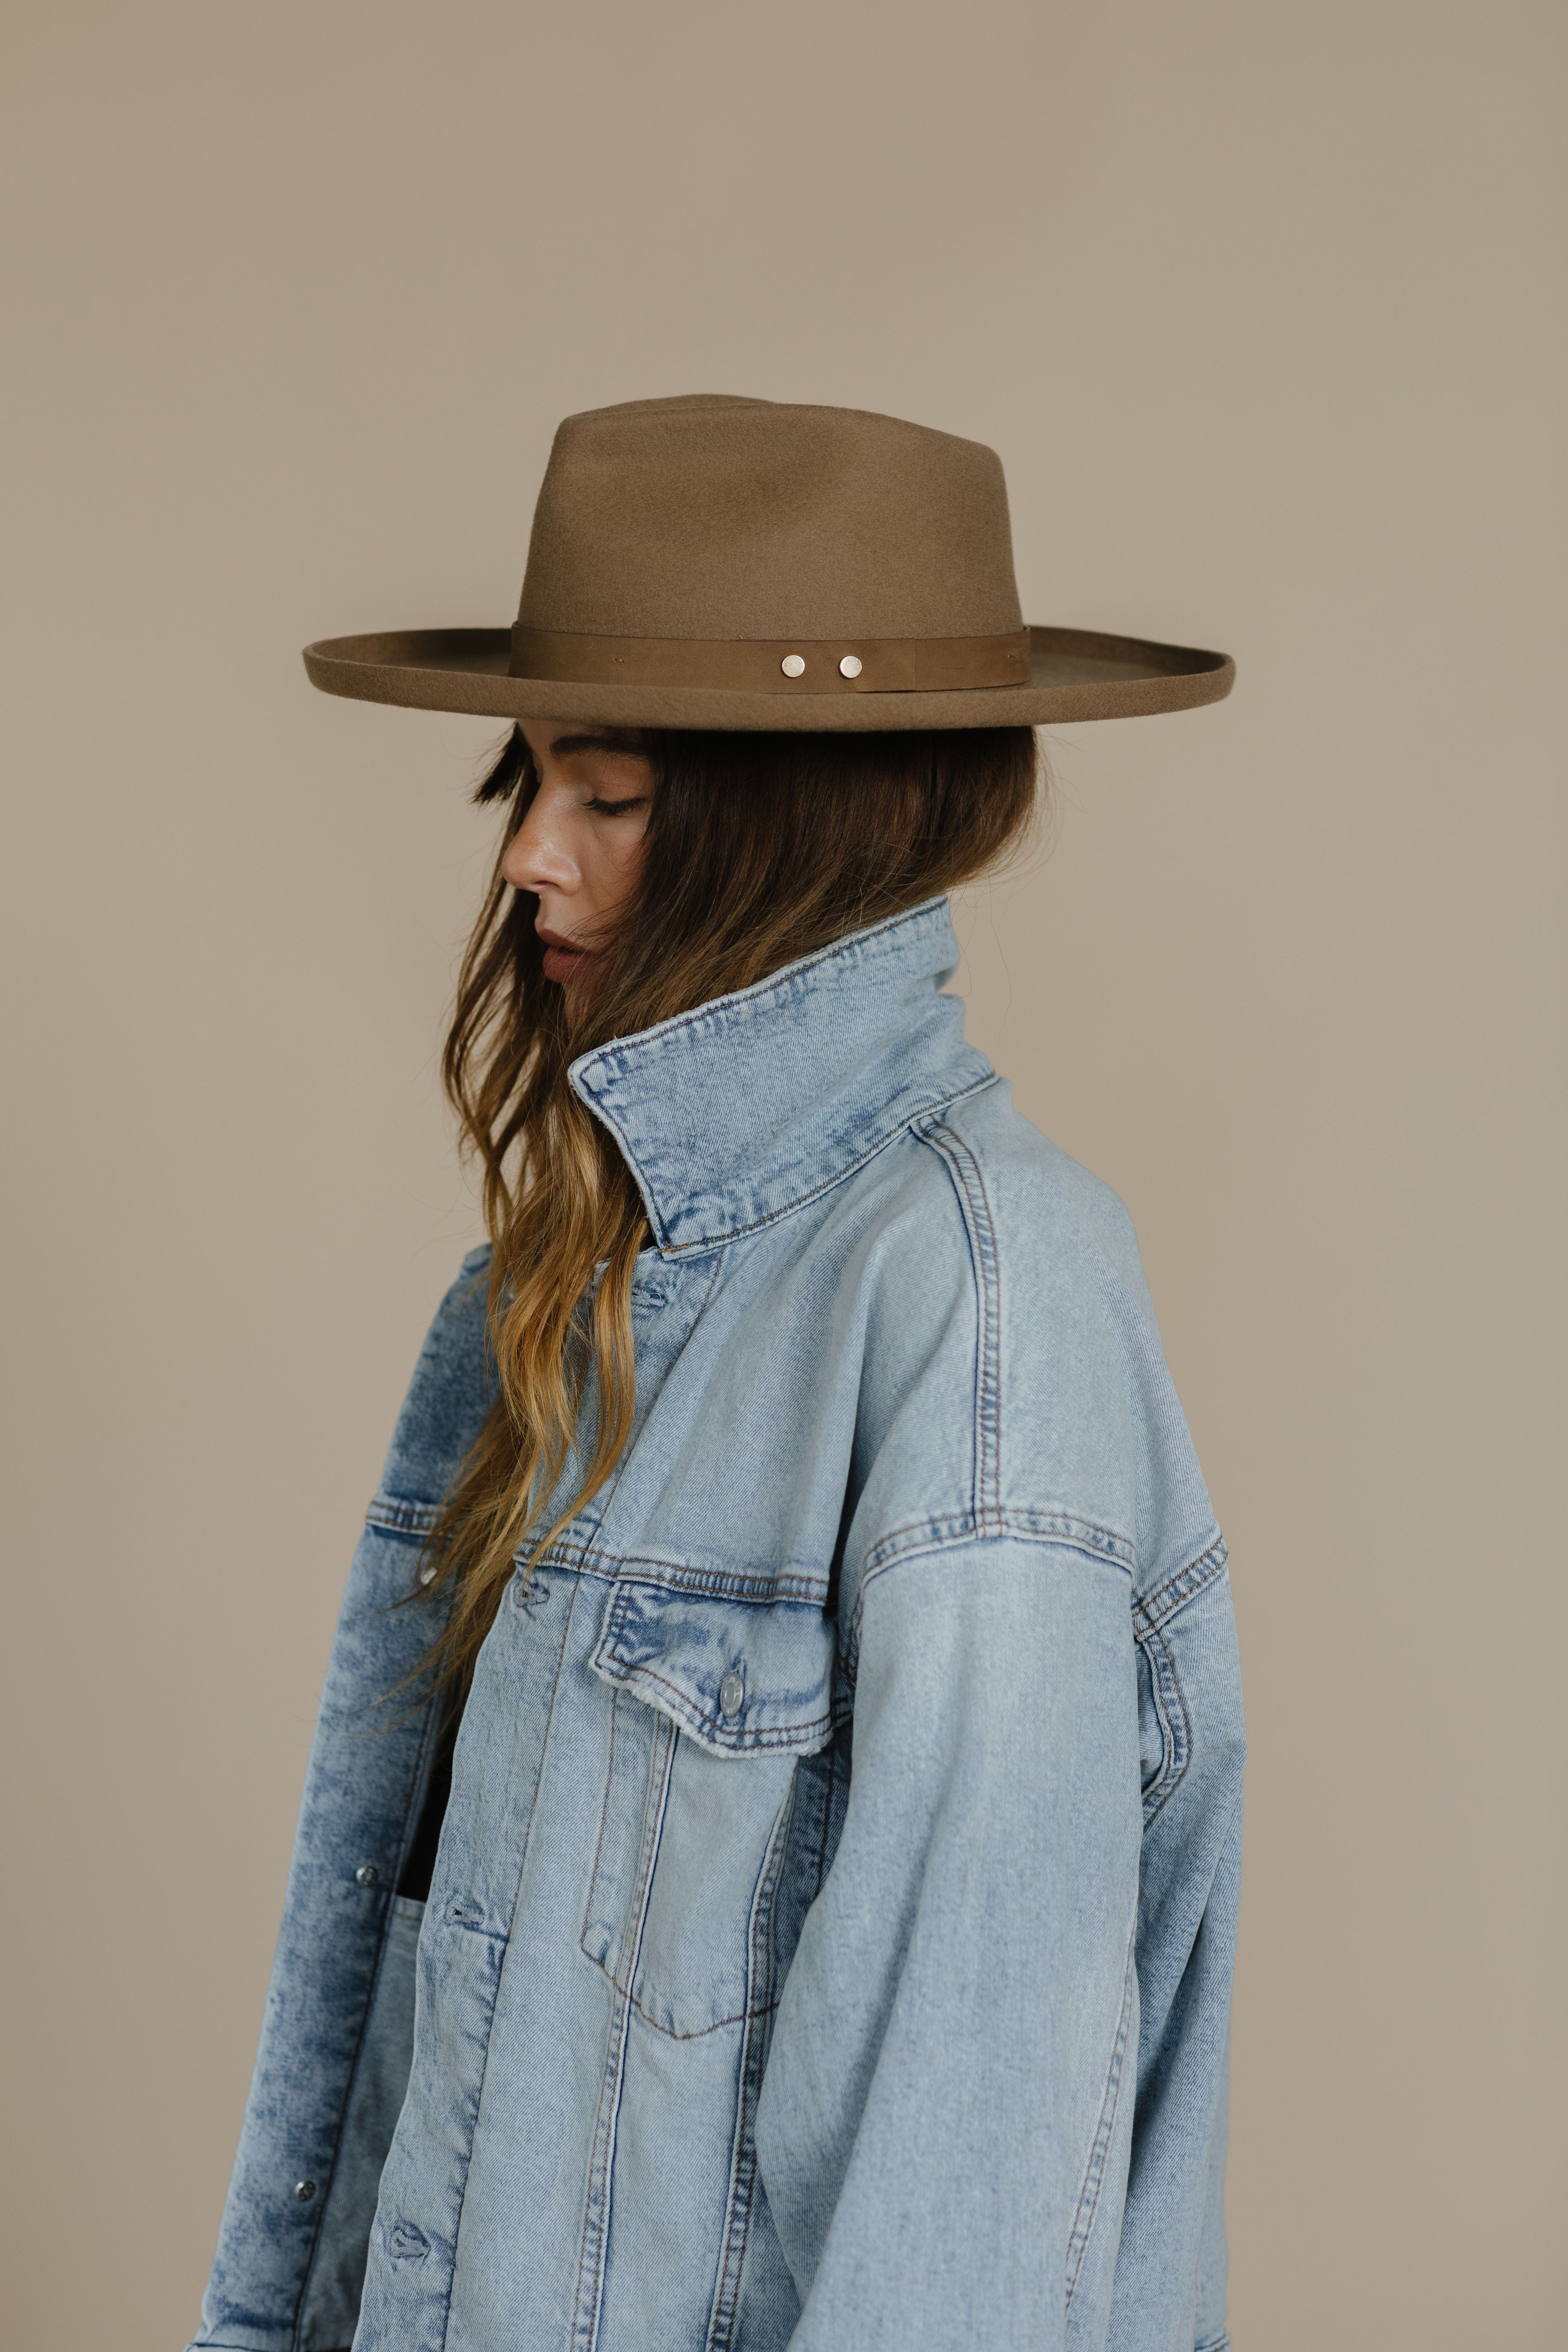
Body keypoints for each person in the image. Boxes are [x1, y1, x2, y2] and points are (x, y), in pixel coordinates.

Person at [188, 396, 1243, 2352]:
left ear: (804, 820)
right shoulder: (546, 1297)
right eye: (528, 786)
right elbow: (399, 2044)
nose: (523, 859)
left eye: (613, 797)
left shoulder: (985, 1291)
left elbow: (975, 2141)